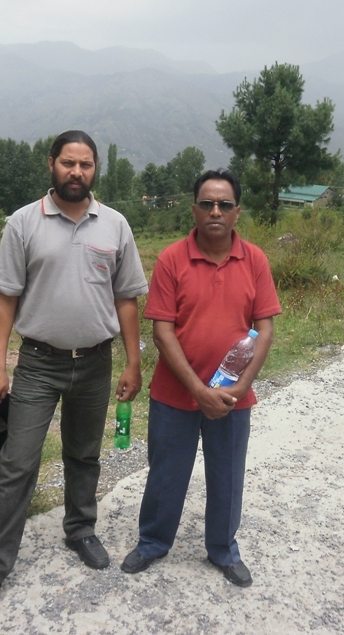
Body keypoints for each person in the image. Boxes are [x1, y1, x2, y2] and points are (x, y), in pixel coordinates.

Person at [0, 130, 149, 622]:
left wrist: (134, 360)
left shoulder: (116, 226)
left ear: (95, 170)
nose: (76, 172)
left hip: (97, 362)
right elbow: (5, 298)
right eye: (68, 163)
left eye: (85, 165)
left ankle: (81, 529)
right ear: (52, 165)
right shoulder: (23, 223)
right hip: (39, 362)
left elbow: (127, 298)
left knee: (84, 454)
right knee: (17, 463)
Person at [121, 169, 281, 588]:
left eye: (224, 205)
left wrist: (242, 387)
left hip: (232, 397)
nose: (215, 211)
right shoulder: (172, 259)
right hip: (175, 394)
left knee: (227, 475)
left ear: (237, 213)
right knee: (165, 473)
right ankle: (153, 542)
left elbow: (264, 328)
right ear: (194, 210)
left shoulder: (255, 260)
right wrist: (196, 388)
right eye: (207, 204)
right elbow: (162, 330)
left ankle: (223, 550)